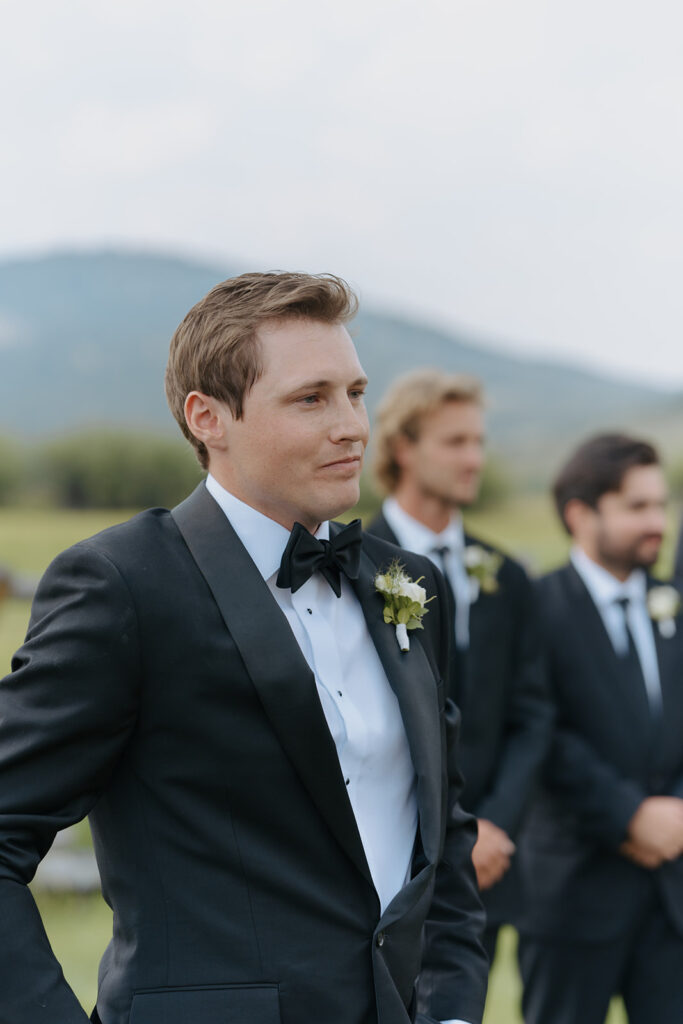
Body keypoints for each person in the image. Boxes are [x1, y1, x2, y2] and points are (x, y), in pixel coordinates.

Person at [0, 273, 488, 1024]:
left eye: (355, 393)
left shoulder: (405, 580)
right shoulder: (123, 585)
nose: (353, 426)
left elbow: (442, 825)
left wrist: (451, 1004)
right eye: (310, 398)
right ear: (207, 418)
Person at [366, 369, 551, 963]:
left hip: (490, 860)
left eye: (478, 442)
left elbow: (532, 712)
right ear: (403, 448)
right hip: (393, 864)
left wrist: (492, 827)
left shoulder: (507, 574)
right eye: (454, 442)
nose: (474, 458)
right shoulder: (356, 569)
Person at [517, 433, 683, 1024]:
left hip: (672, 895)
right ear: (580, 514)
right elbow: (540, 732)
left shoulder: (673, 602)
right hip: (572, 893)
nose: (657, 522)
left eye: (661, 505)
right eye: (637, 507)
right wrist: (630, 815)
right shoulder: (535, 607)